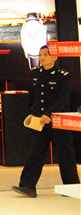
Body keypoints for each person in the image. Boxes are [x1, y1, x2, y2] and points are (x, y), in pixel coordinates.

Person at [13, 45, 80, 198]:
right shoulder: (35, 74)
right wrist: (32, 114)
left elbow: (63, 99)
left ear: (55, 57)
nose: (42, 57)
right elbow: (34, 97)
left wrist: (49, 114)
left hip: (58, 120)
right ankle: (27, 186)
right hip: (40, 122)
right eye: (40, 54)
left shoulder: (63, 76)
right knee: (35, 153)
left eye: (46, 54)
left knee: (66, 155)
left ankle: (72, 187)